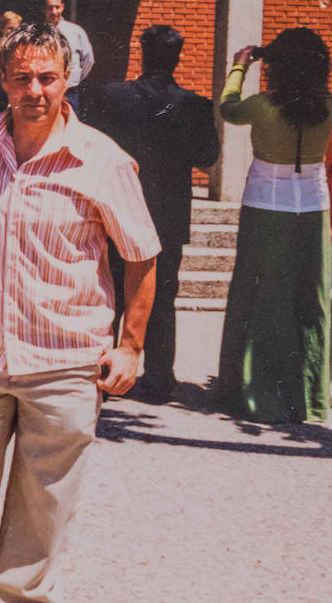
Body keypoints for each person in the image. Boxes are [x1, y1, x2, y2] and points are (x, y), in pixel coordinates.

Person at [0, 22, 159, 603]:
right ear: (2, 78)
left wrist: (131, 348)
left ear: (67, 80)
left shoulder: (101, 159)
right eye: (22, 77)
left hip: (65, 355)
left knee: (46, 493)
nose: (34, 90)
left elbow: (142, 256)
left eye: (47, 78)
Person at [94, 25, 219, 403]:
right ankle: (159, 380)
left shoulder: (112, 96)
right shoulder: (194, 104)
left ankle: (105, 371)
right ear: (178, 57)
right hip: (167, 211)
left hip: (118, 205)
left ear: (142, 52)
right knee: (163, 295)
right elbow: (207, 157)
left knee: (111, 291)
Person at [217, 28, 332, 424]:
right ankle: (310, 394)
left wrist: (239, 66)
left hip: (265, 204)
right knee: (310, 297)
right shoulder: (328, 106)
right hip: (313, 206)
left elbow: (228, 108)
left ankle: (248, 387)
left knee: (258, 293)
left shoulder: (262, 106)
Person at [43, 0, 94, 114]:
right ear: (44, 9)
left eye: (57, 7)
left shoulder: (76, 31)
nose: (54, 11)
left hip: (70, 93)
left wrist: (75, 79)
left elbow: (88, 60)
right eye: (50, 8)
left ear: (63, 7)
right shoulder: (39, 32)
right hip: (46, 92)